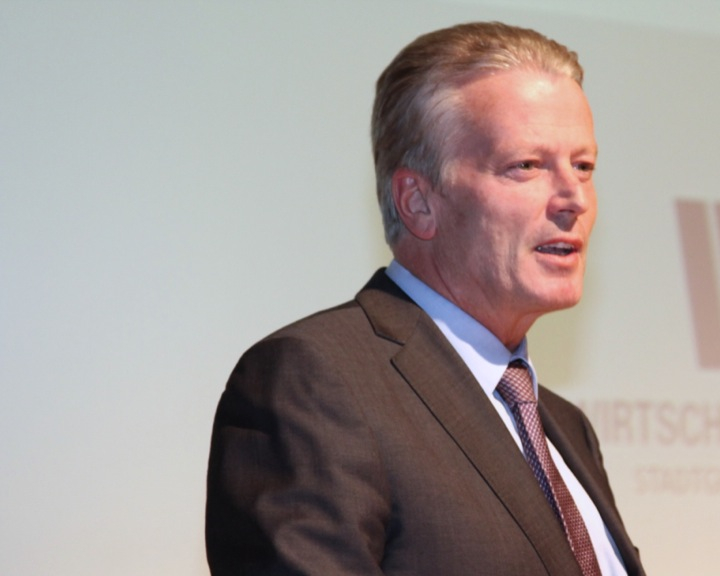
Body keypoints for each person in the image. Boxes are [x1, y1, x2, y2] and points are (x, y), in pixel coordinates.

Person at [205, 21, 646, 576]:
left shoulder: (566, 426)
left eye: (583, 166)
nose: (574, 198)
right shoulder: (313, 383)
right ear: (418, 202)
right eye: (527, 166)